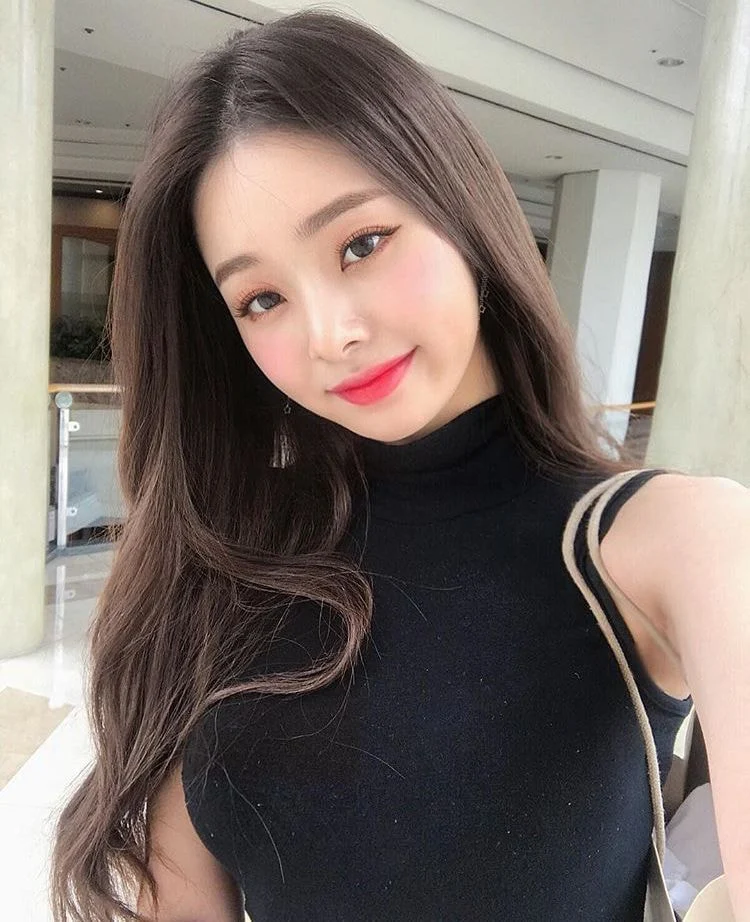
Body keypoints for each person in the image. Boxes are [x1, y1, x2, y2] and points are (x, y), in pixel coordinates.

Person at [51, 11, 749, 922]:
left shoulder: (669, 541)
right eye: (261, 298)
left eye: (361, 244)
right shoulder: (231, 554)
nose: (330, 332)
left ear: (462, 213)